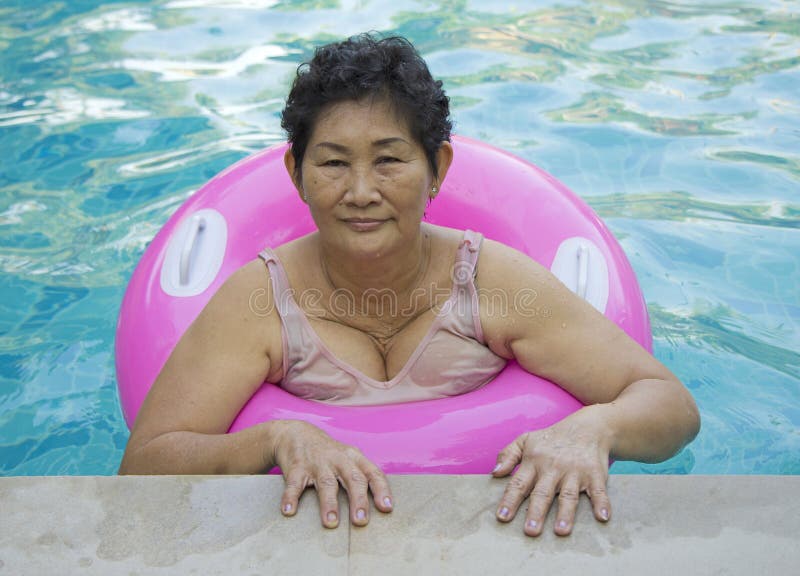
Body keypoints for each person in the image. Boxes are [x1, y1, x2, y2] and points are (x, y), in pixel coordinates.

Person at [119, 33, 700, 537]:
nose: (362, 191)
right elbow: (141, 467)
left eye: (390, 161)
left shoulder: (492, 282)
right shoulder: (258, 300)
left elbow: (669, 404)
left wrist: (593, 427)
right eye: (333, 163)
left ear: (438, 168)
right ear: (295, 174)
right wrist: (274, 441)